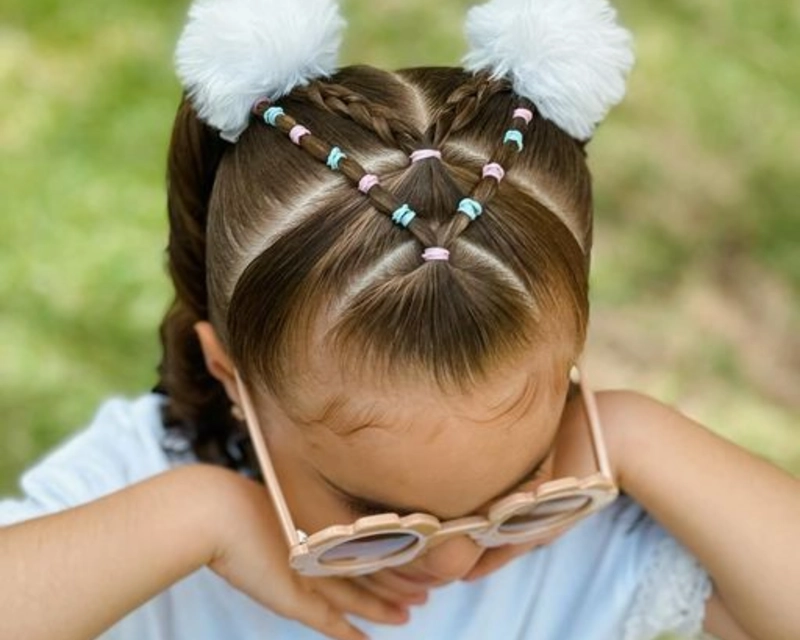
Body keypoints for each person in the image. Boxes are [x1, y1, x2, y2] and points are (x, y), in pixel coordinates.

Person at [1, 0, 798, 639]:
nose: (454, 561)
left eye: (514, 488)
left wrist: (632, 432)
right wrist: (194, 516)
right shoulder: (144, 493)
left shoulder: (582, 521)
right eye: (373, 513)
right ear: (232, 380)